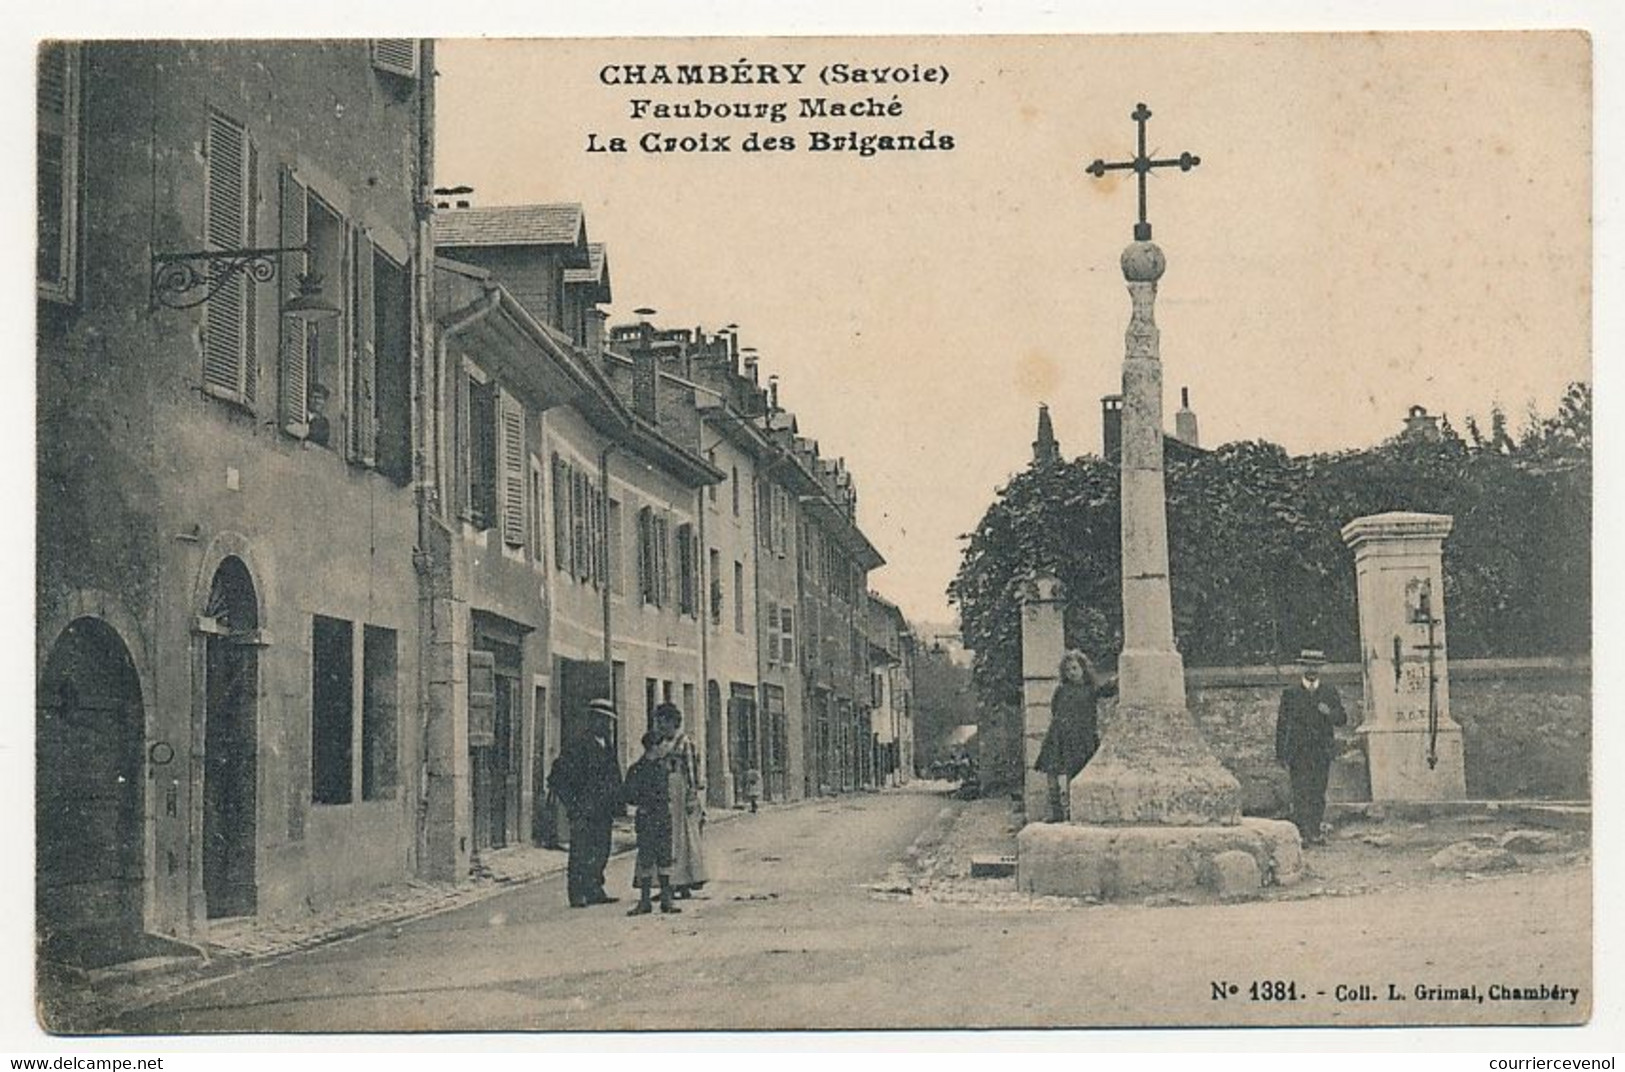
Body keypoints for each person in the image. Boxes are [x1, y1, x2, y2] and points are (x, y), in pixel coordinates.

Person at [548, 697, 623, 907]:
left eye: (609, 721)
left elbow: (613, 776)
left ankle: (595, 888)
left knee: (602, 849)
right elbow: (557, 778)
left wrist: (618, 800)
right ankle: (577, 893)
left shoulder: (608, 745)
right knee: (581, 851)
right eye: (603, 720)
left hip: (603, 809)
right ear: (593, 721)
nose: (607, 725)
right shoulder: (577, 745)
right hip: (584, 809)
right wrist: (573, 805)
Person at [1033, 650, 1118, 822]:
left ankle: (1073, 811)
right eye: (1067, 670)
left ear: (1083, 669)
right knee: (1052, 773)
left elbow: (1107, 690)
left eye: (1074, 668)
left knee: (1075, 774)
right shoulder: (1062, 690)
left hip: (1081, 737)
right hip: (1059, 736)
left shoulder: (1091, 690)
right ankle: (1056, 811)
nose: (1071, 673)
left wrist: (1120, 678)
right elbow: (1055, 709)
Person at [1274, 649, 1348, 845]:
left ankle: (1315, 831)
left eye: (1315, 666)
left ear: (1320, 668)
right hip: (1299, 751)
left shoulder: (1329, 692)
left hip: (1321, 751)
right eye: (1308, 665)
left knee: (1317, 791)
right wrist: (1281, 754)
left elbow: (1342, 719)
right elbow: (1282, 725)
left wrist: (1329, 712)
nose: (1312, 670)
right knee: (1300, 791)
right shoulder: (1290, 694)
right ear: (1302, 667)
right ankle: (1302, 834)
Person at [653, 702, 709, 898]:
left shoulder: (685, 743)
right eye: (658, 723)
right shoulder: (659, 743)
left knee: (683, 839)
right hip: (663, 793)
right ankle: (668, 883)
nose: (660, 727)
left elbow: (692, 772)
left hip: (681, 794)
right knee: (666, 839)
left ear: (673, 722)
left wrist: (692, 795)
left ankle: (683, 882)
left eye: (663, 723)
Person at [623, 732, 680, 915]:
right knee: (646, 859)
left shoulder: (664, 768)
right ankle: (645, 901)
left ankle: (666, 900)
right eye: (663, 745)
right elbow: (628, 795)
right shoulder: (637, 770)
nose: (666, 748)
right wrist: (645, 803)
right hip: (648, 817)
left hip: (662, 816)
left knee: (664, 857)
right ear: (654, 746)